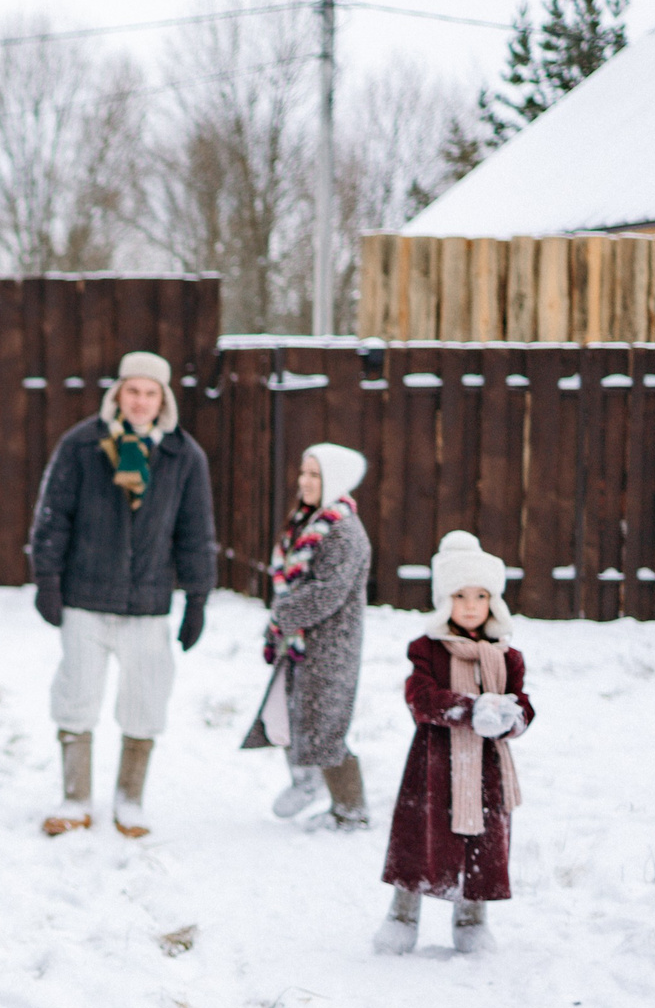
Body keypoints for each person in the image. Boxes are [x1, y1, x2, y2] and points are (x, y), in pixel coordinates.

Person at [28, 350, 216, 838]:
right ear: (118, 393)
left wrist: (197, 598)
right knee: (77, 695)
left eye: (150, 393)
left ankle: (130, 801)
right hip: (84, 599)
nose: (140, 401)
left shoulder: (183, 456)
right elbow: (53, 517)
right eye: (133, 390)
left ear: (163, 400)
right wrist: (47, 580)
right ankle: (75, 799)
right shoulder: (82, 445)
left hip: (147, 604)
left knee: (146, 701)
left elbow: (196, 533)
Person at [374, 531, 533, 955]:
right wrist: (468, 709)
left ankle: (471, 921)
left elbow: (523, 703)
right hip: (434, 766)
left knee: (480, 845)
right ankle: (402, 917)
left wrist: (510, 718)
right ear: (445, 600)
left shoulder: (507, 657)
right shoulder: (427, 650)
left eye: (480, 596)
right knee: (421, 841)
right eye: (460, 596)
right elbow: (420, 698)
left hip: (486, 772)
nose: (471, 605)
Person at [241, 443, 372, 829]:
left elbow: (327, 591)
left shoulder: (344, 531)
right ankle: (306, 781)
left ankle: (350, 811)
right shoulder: (308, 522)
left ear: (335, 479)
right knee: (286, 713)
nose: (304, 481)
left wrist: (281, 616)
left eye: (315, 475)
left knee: (326, 727)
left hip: (330, 646)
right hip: (300, 642)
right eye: (303, 473)